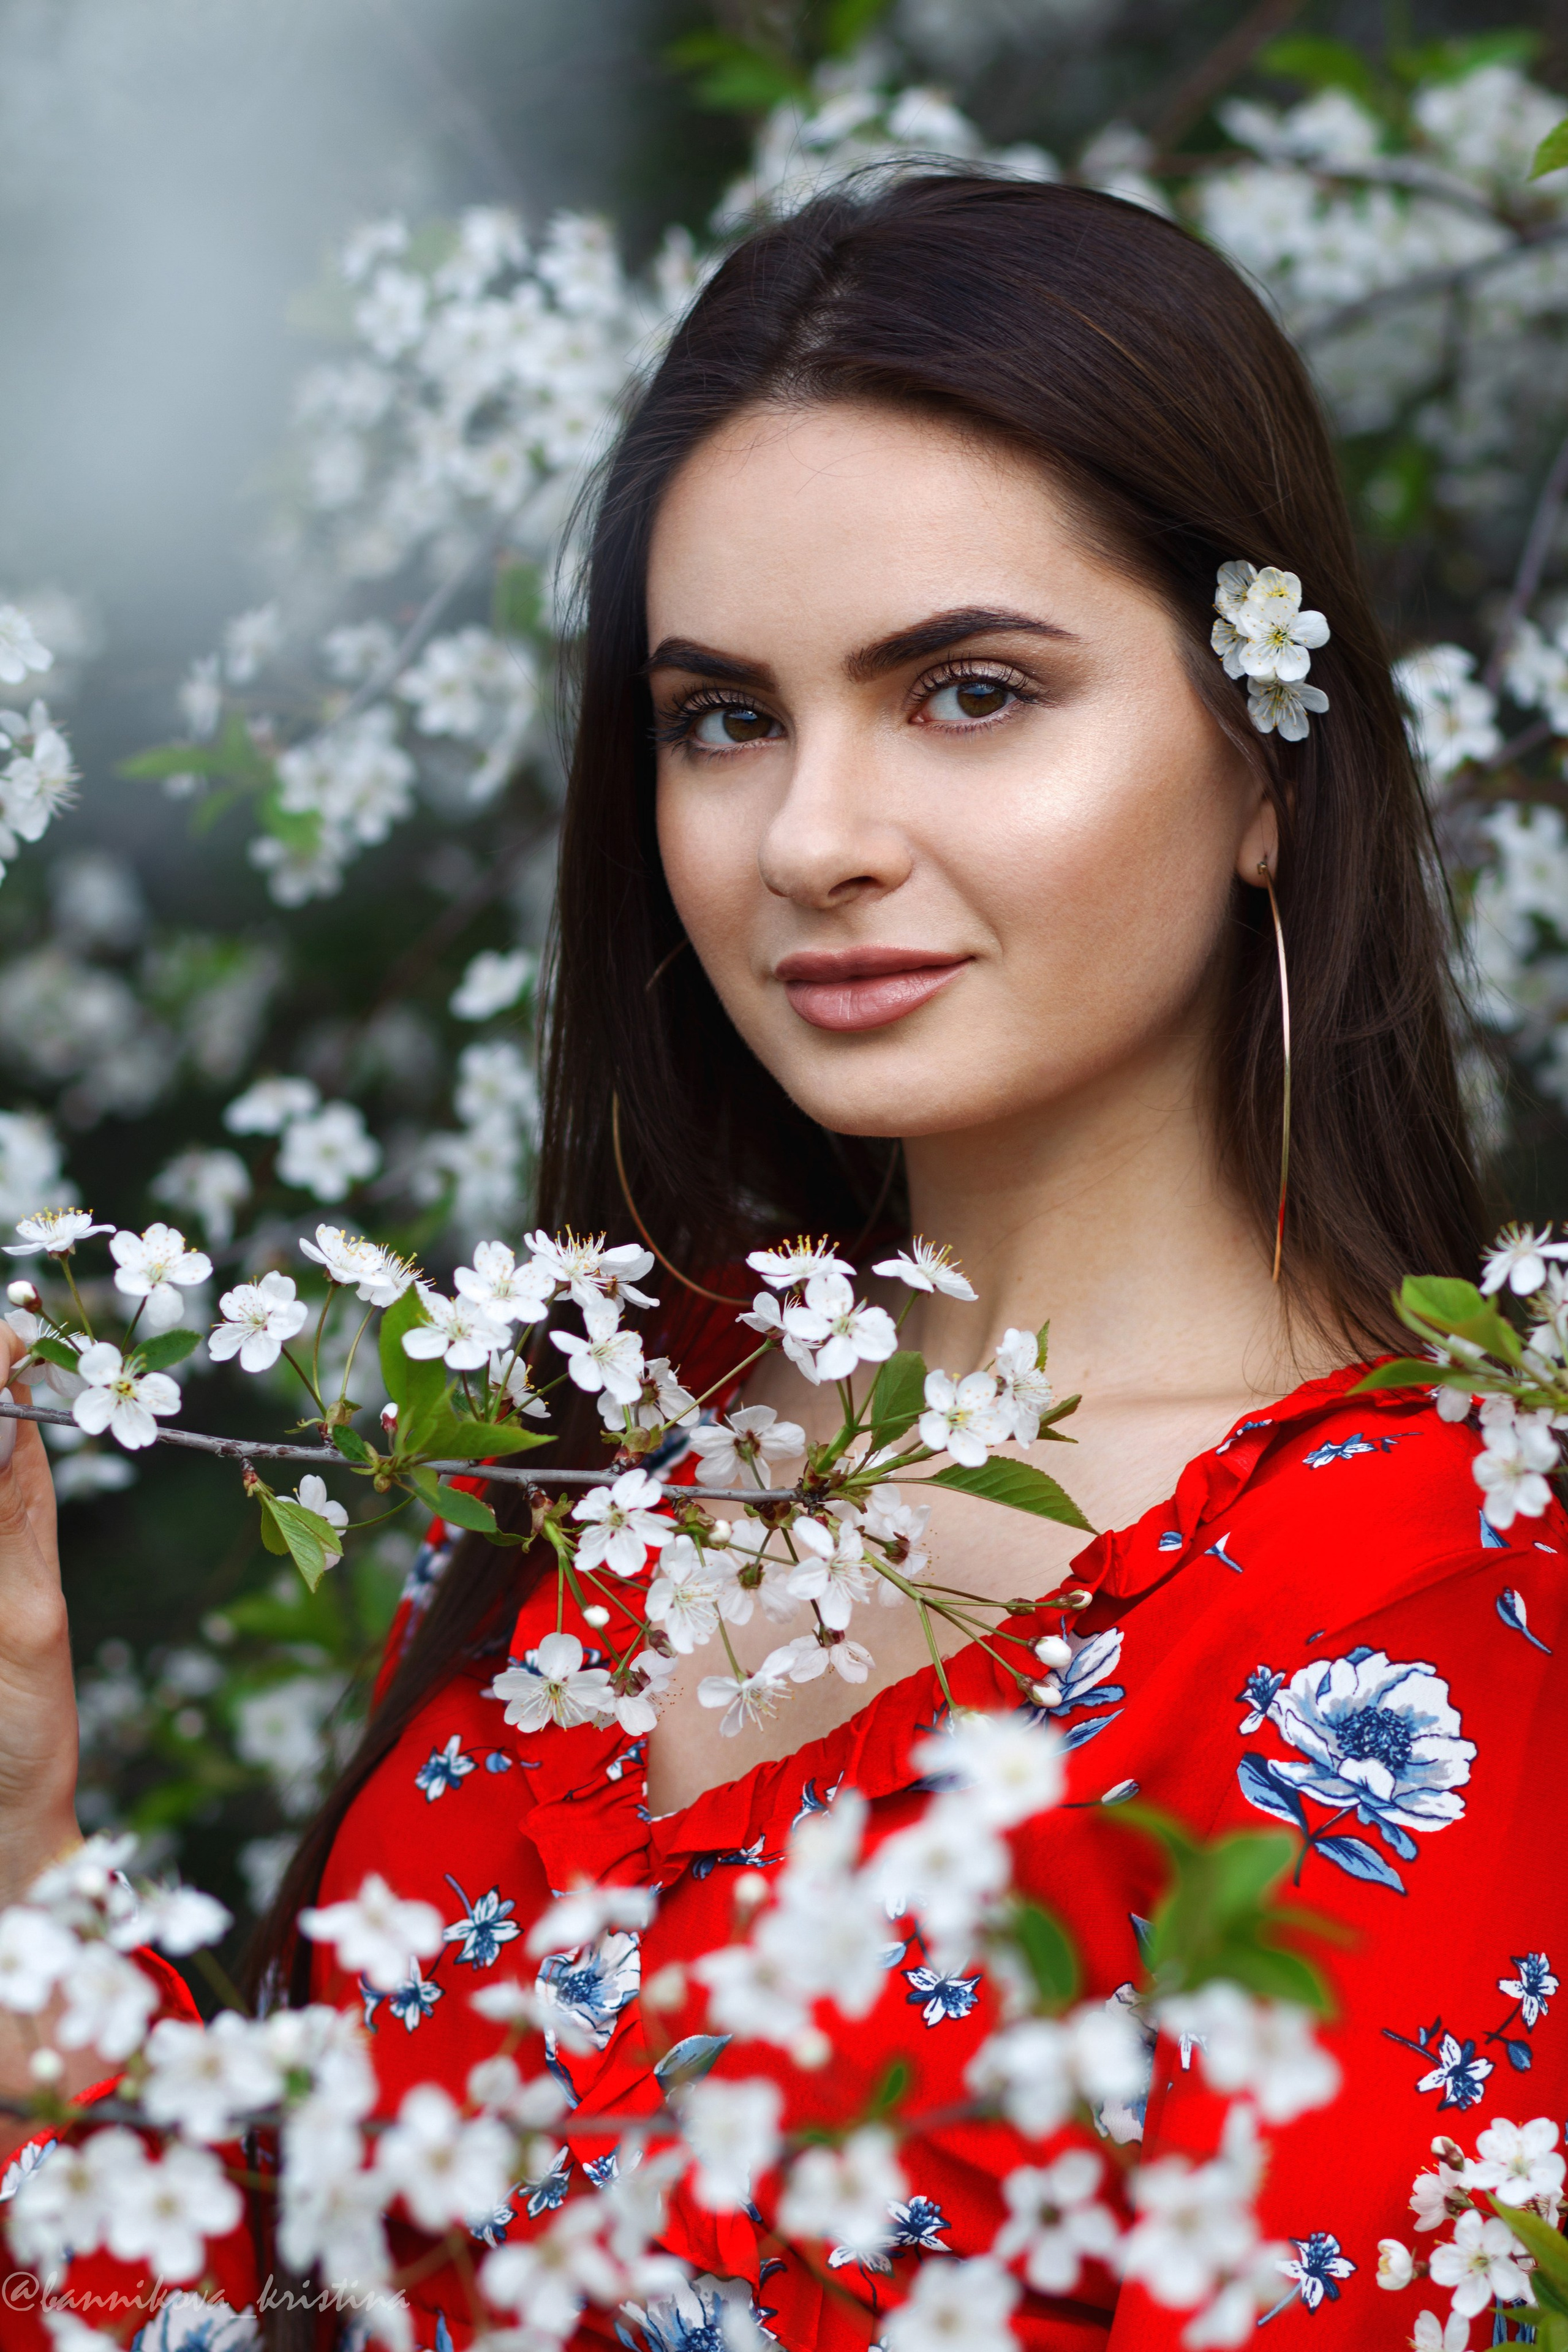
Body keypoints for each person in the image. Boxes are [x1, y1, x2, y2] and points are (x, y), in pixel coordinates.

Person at [1, 170, 1562, 2351]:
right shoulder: (627, 1435)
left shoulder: (1429, 1602)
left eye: (971, 692)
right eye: (725, 718)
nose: (814, 839)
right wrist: (23, 1870)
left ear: (1265, 763)